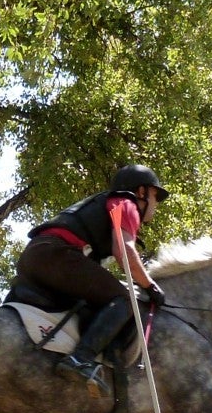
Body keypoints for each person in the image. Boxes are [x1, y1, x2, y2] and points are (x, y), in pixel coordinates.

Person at [16, 165, 169, 397]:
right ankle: (80, 359)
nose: (156, 206)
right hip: (56, 255)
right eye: (155, 197)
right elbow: (125, 252)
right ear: (141, 192)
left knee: (95, 305)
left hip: (35, 257)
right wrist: (150, 285)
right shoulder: (126, 204)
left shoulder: (104, 205)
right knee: (124, 300)